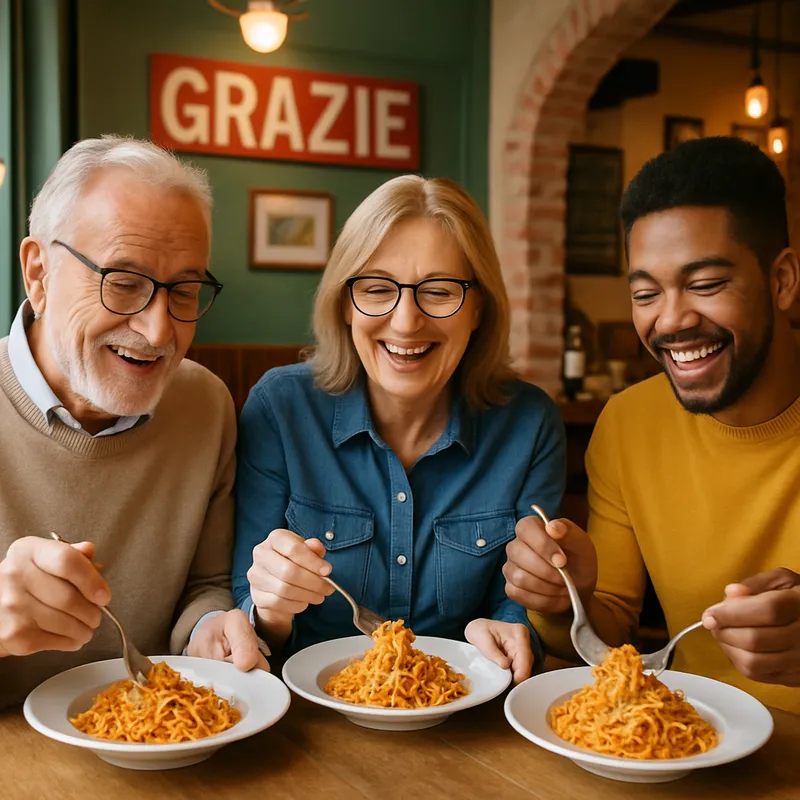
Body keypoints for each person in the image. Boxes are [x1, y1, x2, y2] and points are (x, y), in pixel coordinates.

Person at [505, 137, 800, 713]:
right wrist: (567, 597)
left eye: (706, 284)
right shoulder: (630, 422)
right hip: (688, 743)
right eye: (646, 293)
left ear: (783, 280)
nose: (671, 319)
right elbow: (611, 631)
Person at [233, 175, 565, 682]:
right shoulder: (281, 408)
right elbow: (244, 610)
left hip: (467, 719)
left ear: (479, 307)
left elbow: (521, 606)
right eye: (377, 289)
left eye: (438, 291)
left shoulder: (528, 423)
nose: (406, 322)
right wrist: (271, 614)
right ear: (345, 303)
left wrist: (510, 629)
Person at [0, 136, 266, 709]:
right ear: (38, 272)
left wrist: (209, 628)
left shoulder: (205, 405)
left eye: (186, 291)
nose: (158, 332)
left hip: (159, 755)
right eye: (123, 283)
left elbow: (203, 585)